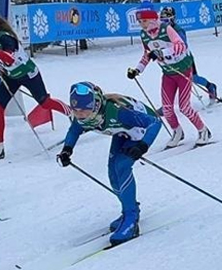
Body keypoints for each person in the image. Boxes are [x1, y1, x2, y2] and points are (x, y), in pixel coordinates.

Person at [57, 82, 163, 246]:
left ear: (97, 104)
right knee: (112, 172)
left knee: (122, 166)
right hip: (122, 131)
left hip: (139, 131)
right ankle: (128, 210)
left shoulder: (118, 112)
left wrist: (142, 146)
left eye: (85, 109)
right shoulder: (84, 116)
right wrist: (67, 150)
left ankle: (131, 218)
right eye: (75, 110)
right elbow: (75, 129)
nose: (80, 114)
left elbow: (155, 122)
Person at [0, 15, 71, 163]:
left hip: (28, 74)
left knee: (44, 102)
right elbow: (1, 60)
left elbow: (10, 58)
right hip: (11, 76)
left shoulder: (5, 38)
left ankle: (71, 112)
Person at [128, 4, 213, 148]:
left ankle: (203, 130)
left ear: (152, 20)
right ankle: (177, 132)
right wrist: (137, 70)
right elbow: (147, 55)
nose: (141, 25)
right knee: (167, 109)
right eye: (140, 22)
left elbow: (181, 46)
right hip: (168, 73)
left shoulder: (166, 28)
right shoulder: (144, 35)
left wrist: (162, 53)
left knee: (184, 107)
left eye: (144, 21)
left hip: (183, 71)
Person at [160, 5, 219, 103]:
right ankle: (167, 104)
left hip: (184, 59)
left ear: (172, 19)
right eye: (162, 20)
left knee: (193, 78)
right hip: (169, 60)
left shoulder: (178, 30)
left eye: (166, 21)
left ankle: (210, 86)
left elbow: (183, 45)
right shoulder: (162, 30)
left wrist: (169, 51)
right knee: (170, 81)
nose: (163, 23)